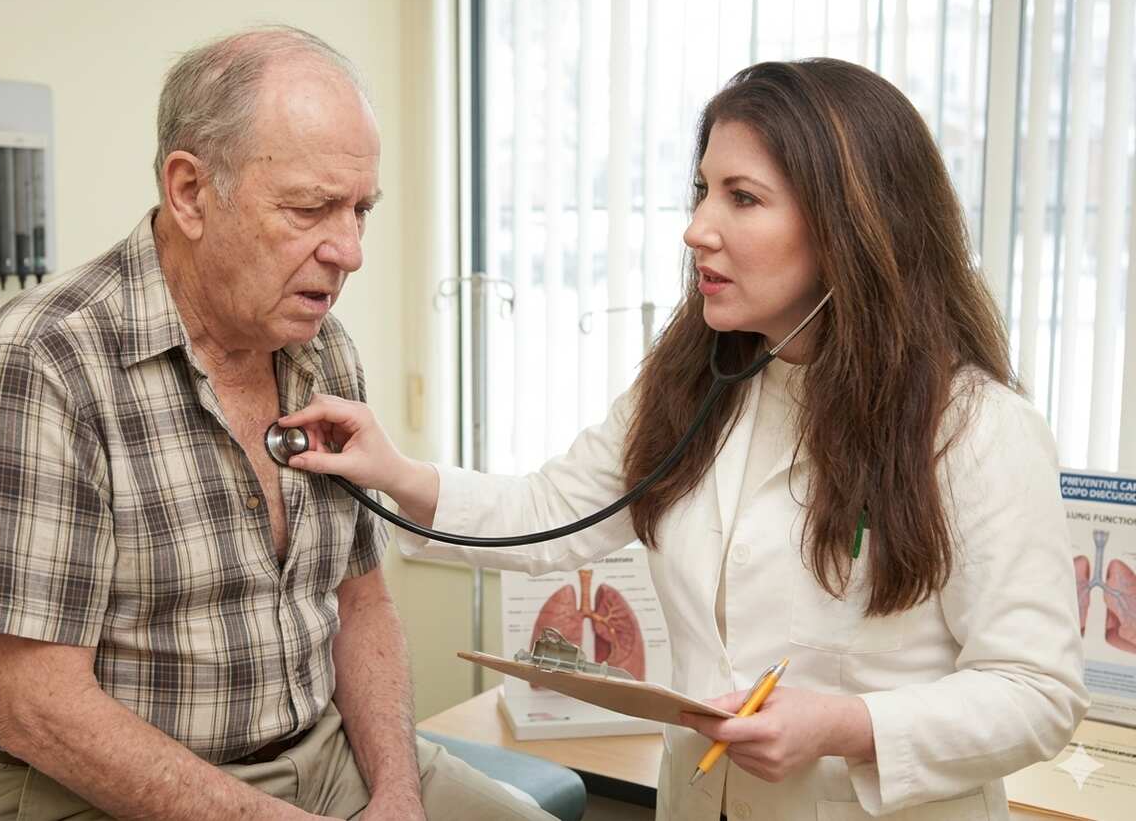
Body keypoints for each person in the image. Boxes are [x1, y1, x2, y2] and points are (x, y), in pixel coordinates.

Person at [278, 58, 1089, 821]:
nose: (697, 228)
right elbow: (547, 512)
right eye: (702, 190)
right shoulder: (699, 384)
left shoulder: (975, 430)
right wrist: (392, 470)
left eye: (742, 197)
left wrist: (847, 724)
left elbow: (1037, 690)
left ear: (851, 224)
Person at [0, 26, 552, 821]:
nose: (351, 250)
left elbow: (360, 603)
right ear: (190, 192)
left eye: (361, 209)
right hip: (95, 789)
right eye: (310, 208)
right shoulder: (40, 365)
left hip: (321, 756)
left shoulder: (321, 352)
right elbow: (38, 706)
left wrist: (397, 793)